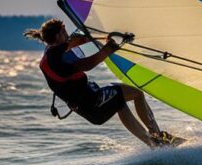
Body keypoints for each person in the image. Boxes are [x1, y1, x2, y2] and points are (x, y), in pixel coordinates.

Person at [25, 18, 178, 147]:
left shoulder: (51, 52)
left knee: (122, 101)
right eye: (64, 33)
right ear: (58, 35)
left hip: (88, 104)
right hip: (92, 102)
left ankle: (154, 141)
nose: (67, 36)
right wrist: (107, 50)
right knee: (135, 95)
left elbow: (74, 42)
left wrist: (92, 36)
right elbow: (87, 65)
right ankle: (156, 140)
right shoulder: (59, 57)